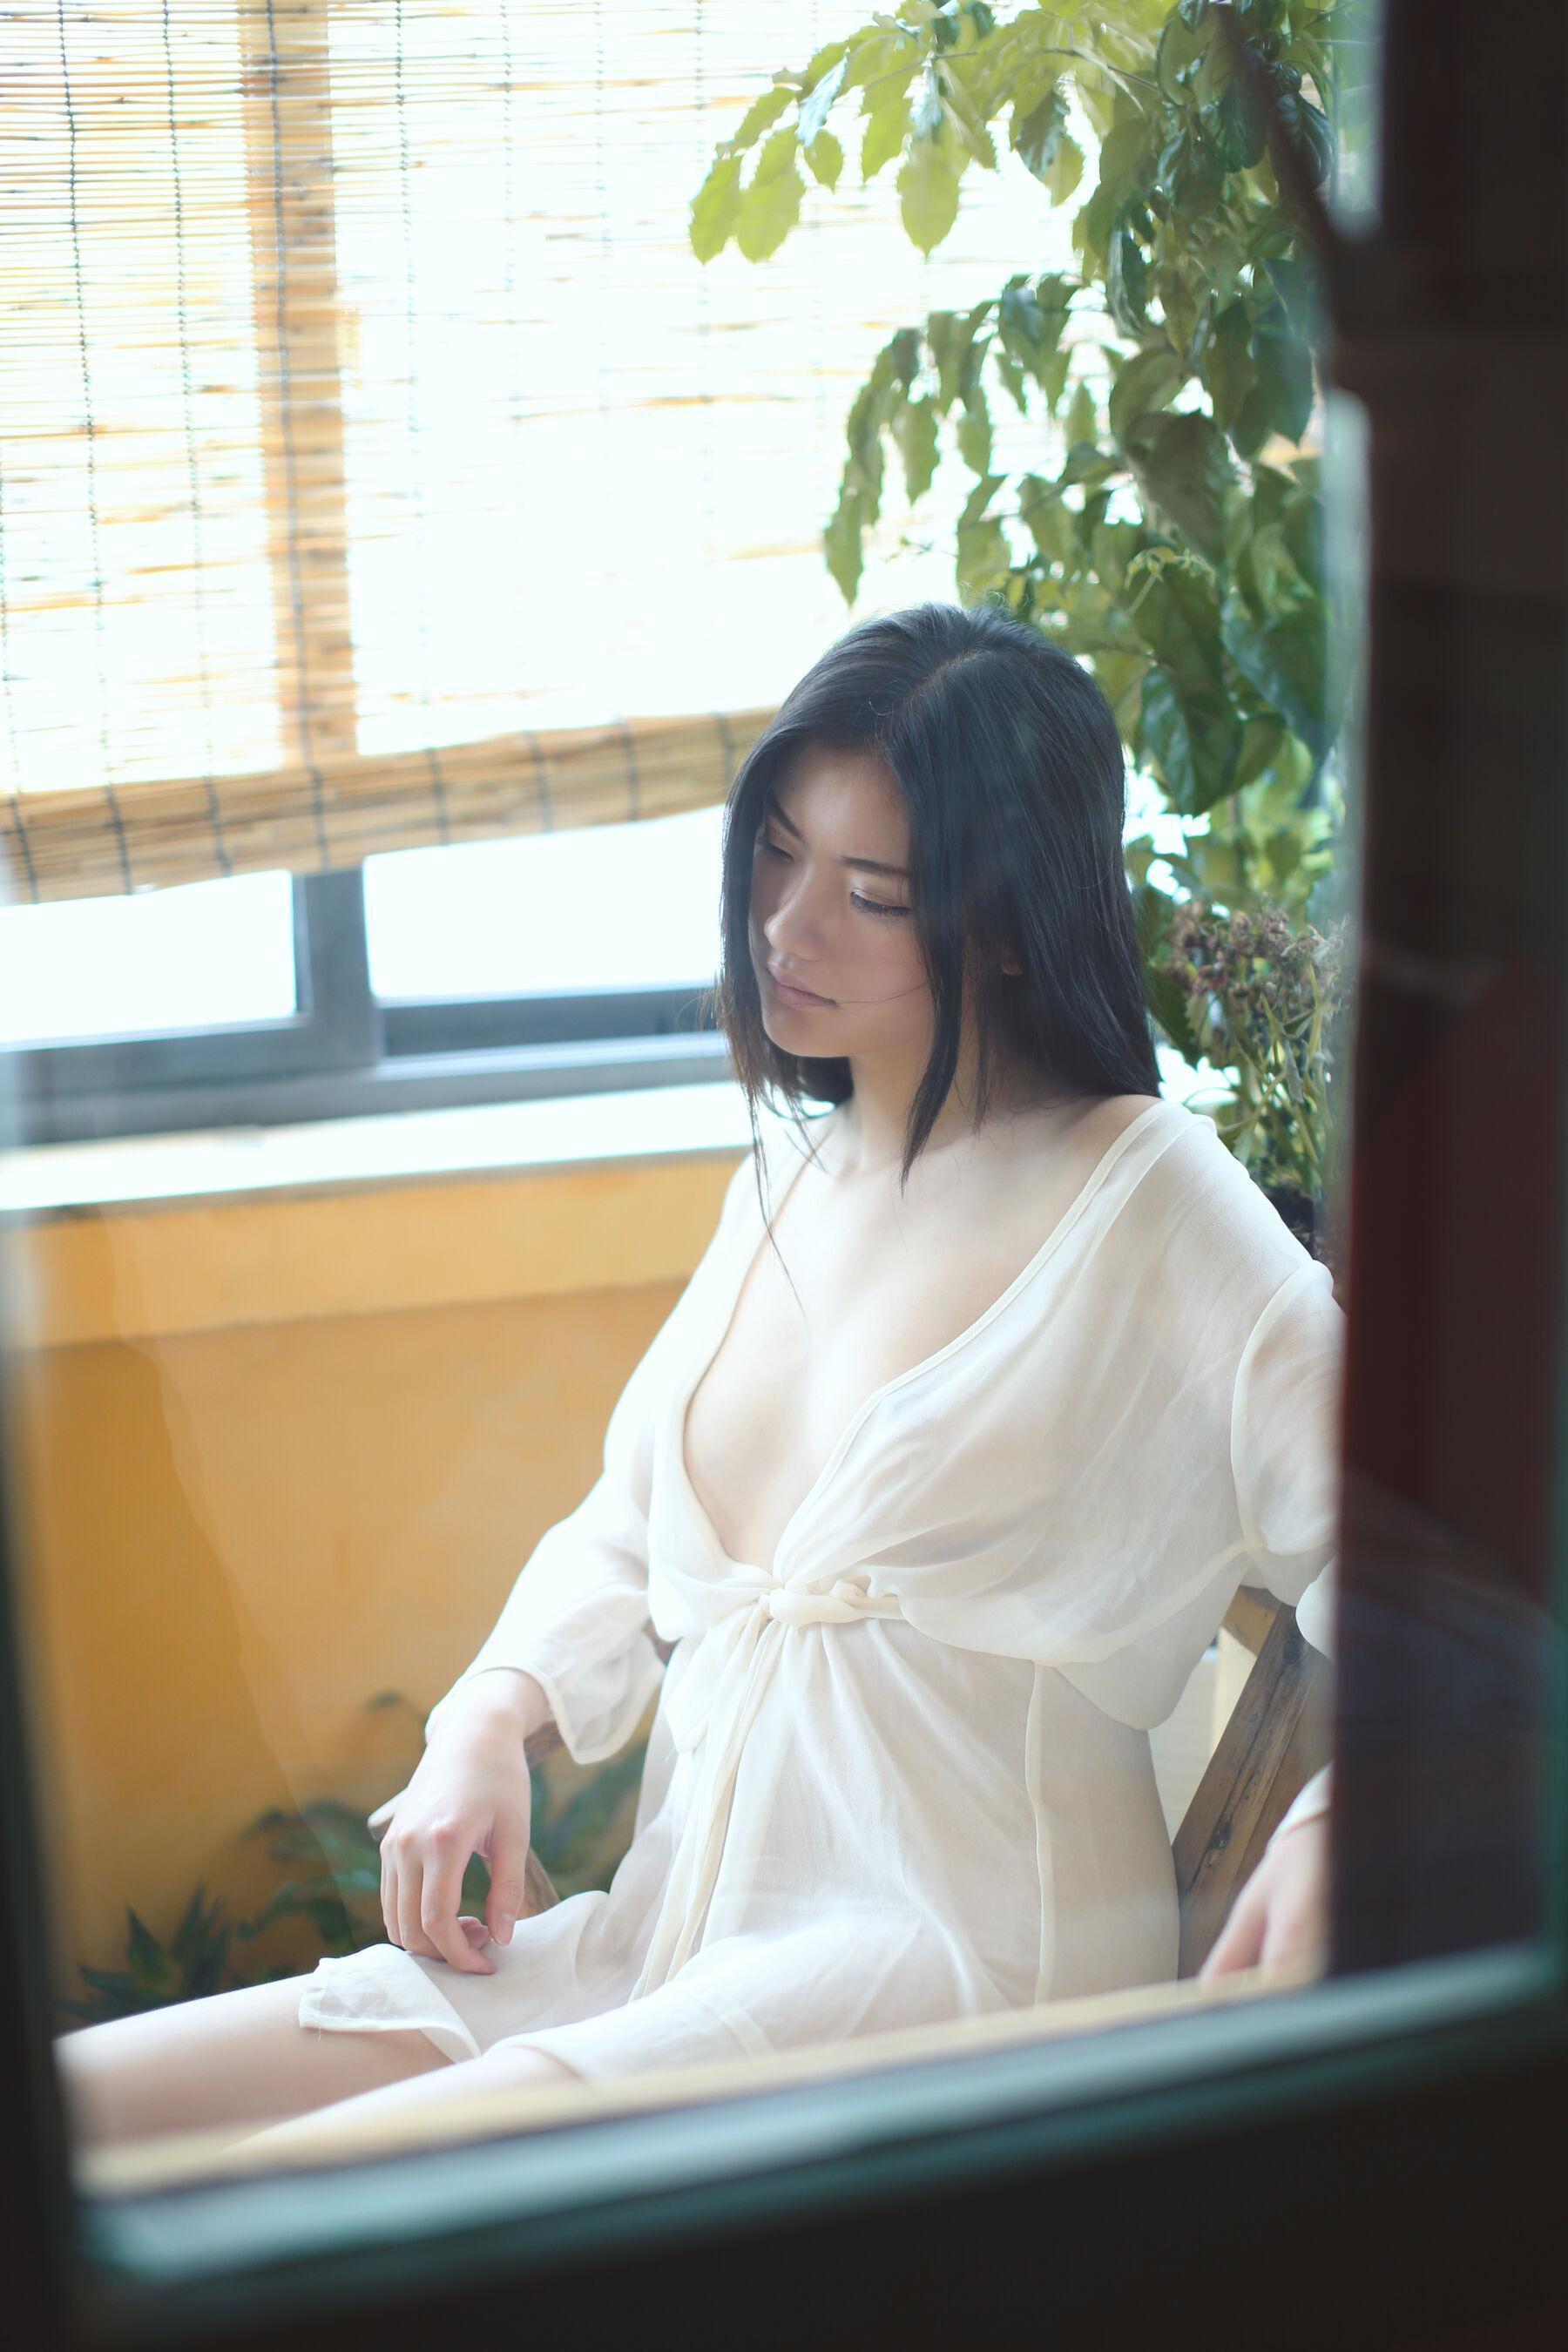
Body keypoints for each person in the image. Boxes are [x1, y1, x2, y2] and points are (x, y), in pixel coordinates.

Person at [57, 602, 1342, 2158]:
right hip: (669, 1942)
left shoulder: (1146, 1198)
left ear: (1008, 927)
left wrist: (1344, 1817)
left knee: (269, 2204)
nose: (787, 928)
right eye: (775, 855)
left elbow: (1425, 1538)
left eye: (871, 895)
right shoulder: (789, 1181)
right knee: (72, 2119)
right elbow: (628, 1527)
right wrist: (489, 1716)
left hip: (951, 1968)